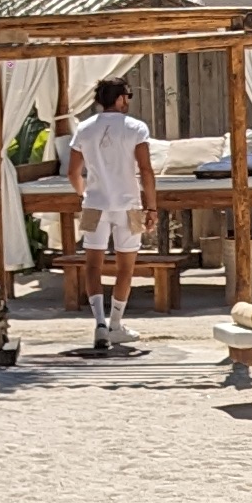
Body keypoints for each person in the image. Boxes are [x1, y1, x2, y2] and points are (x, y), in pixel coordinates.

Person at [67, 76, 156, 356]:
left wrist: (83, 194)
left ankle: (99, 323)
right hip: (129, 205)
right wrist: (152, 207)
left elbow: (73, 172)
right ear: (120, 98)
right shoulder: (136, 128)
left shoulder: (84, 128)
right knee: (125, 267)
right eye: (127, 95)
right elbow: (146, 170)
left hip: (94, 204)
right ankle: (116, 322)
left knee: (92, 265)